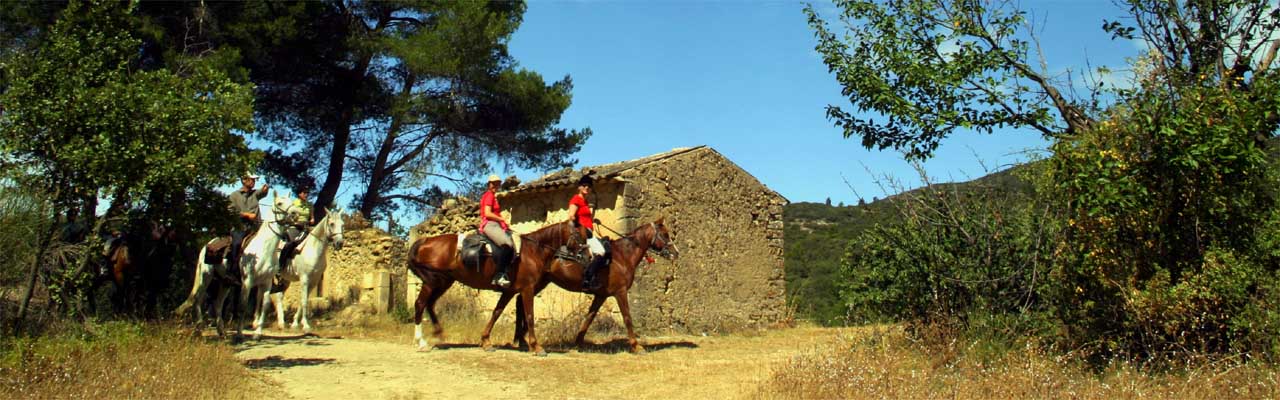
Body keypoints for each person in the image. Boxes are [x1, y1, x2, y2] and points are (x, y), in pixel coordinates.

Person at [567, 175, 608, 290]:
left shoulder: (585, 202)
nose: (587, 188)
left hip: (589, 231)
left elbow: (584, 216)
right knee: (601, 252)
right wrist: (579, 227)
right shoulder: (576, 199)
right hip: (584, 232)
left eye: (589, 186)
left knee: (600, 251)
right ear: (579, 187)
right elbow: (571, 215)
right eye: (584, 185)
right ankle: (587, 279)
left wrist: (593, 220)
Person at [227, 173, 269, 278]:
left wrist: (266, 188)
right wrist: (246, 215)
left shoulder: (255, 194)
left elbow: (263, 192)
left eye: (254, 180)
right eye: (251, 180)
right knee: (236, 244)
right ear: (244, 181)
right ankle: (231, 272)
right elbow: (230, 211)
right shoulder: (234, 195)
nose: (253, 182)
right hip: (240, 227)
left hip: (255, 228)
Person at [479, 174, 515, 288]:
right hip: (490, 225)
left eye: (497, 184)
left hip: (495, 225)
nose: (496, 186)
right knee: (508, 244)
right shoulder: (489, 195)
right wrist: (501, 218)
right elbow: (488, 213)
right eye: (493, 183)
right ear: (489, 185)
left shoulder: (493, 196)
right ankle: (499, 275)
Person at [279, 184, 314, 269]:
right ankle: (280, 265)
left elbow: (312, 218)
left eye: (307, 193)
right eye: (304, 193)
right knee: (290, 244)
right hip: (294, 227)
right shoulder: (293, 203)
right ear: (299, 194)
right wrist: (295, 222)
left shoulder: (310, 205)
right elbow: (287, 217)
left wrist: (311, 220)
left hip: (305, 228)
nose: (306, 194)